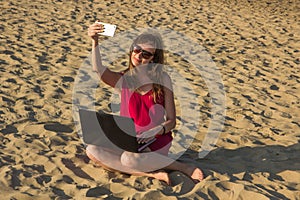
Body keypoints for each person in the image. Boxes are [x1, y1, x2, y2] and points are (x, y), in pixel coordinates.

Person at [86, 21, 204, 184]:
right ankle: (152, 174)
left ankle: (181, 167)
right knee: (92, 150)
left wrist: (156, 130)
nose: (139, 56)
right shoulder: (124, 79)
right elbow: (98, 69)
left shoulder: (163, 80)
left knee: (128, 160)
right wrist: (95, 41)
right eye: (136, 49)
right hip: (129, 140)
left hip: (155, 140)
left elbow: (171, 121)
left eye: (146, 54)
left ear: (153, 59)